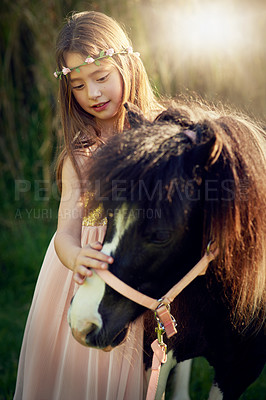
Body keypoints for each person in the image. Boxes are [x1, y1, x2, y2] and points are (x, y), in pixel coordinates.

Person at [14, 10, 192, 400]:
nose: (92, 93)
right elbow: (64, 233)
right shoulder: (80, 156)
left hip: (136, 273)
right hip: (86, 280)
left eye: (101, 77)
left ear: (127, 66)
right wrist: (76, 256)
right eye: (78, 85)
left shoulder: (162, 137)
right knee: (82, 374)